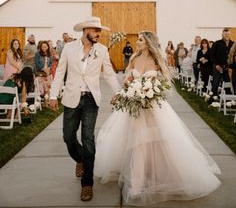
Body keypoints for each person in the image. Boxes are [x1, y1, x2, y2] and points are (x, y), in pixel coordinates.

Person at [95, 30, 221, 206]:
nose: (137, 42)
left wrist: (153, 91)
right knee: (139, 142)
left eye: (140, 40)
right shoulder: (133, 59)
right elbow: (126, 81)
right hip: (136, 107)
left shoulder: (156, 61)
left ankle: (159, 174)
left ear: (148, 42)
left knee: (156, 142)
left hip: (153, 108)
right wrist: (127, 91)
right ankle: (137, 184)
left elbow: (165, 83)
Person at [50, 16, 120, 202]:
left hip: (91, 99)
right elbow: (60, 72)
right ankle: (80, 159)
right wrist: (52, 95)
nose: (98, 34)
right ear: (85, 31)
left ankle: (87, 184)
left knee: (88, 139)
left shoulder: (102, 50)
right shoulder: (69, 48)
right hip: (71, 98)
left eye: (99, 31)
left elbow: (110, 74)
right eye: (96, 31)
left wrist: (119, 92)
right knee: (68, 137)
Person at [210, 28, 234, 97]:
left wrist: (231, 67)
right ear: (222, 34)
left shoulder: (233, 44)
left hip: (228, 68)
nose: (227, 35)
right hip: (218, 67)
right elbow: (212, 55)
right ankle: (212, 100)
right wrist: (216, 65)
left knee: (228, 85)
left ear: (230, 35)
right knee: (215, 84)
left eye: (228, 34)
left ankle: (229, 102)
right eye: (225, 34)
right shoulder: (217, 43)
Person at [35, 41, 52, 107]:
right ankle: (38, 103)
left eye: (45, 46)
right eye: (42, 47)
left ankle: (46, 102)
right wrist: (43, 68)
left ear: (47, 47)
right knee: (40, 88)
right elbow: (36, 63)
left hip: (47, 73)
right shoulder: (37, 54)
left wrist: (48, 68)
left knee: (47, 88)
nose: (44, 48)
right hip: (40, 73)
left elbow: (51, 62)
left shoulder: (49, 54)